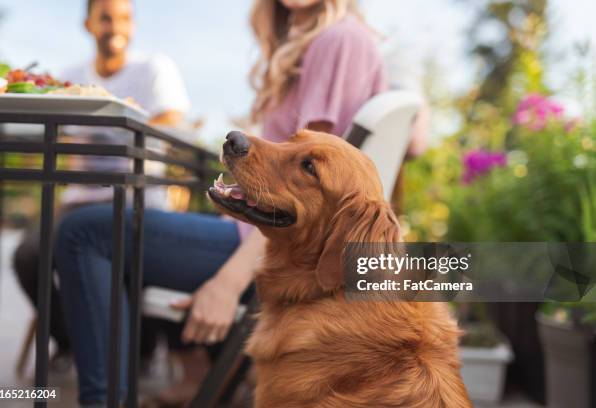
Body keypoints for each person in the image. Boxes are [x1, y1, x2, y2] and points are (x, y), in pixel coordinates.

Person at [54, 0, 428, 406]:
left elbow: (306, 198)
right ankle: (191, 373)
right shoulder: (326, 40)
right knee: (130, 226)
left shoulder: (338, 41)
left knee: (85, 233)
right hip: (258, 236)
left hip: (266, 249)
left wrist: (230, 282)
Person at [13, 0, 189, 374]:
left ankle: (133, 349)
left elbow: (173, 120)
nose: (115, 26)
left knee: (124, 255)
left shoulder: (152, 68)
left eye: (124, 17)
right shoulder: (71, 75)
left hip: (138, 195)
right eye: (106, 17)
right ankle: (75, 342)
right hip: (82, 197)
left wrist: (107, 129)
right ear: (89, 24)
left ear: (134, 24)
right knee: (29, 255)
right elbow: (58, 138)